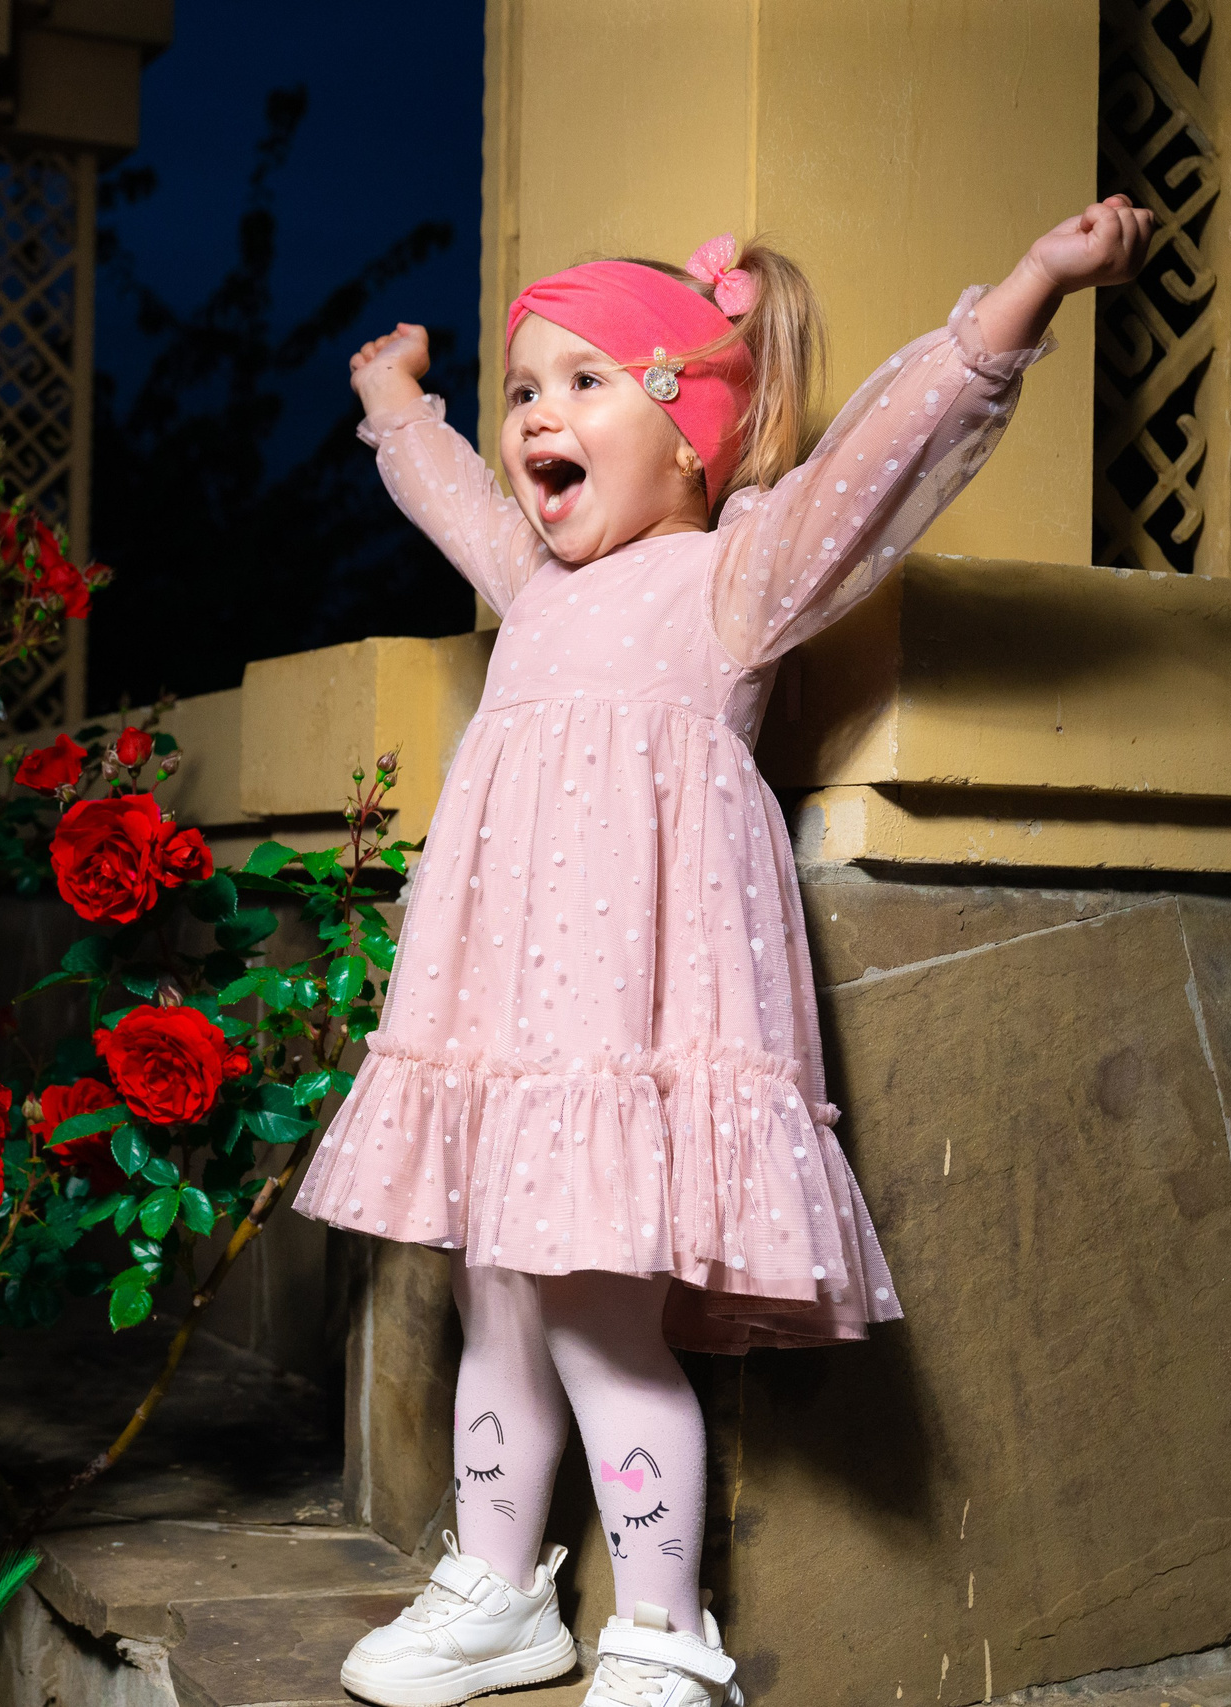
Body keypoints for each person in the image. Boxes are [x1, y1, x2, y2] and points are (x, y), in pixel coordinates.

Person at [296, 197, 1153, 1707]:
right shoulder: (539, 588)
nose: (535, 417)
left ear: (693, 429)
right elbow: (451, 501)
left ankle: (666, 1633)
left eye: (583, 383)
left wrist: (1024, 291)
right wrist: (396, 408)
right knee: (498, 1294)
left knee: (601, 1322)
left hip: (628, 1022)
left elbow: (890, 459)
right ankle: (500, 1591)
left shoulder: (737, 577)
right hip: (505, 1018)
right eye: (521, 390)